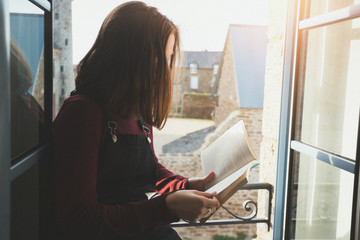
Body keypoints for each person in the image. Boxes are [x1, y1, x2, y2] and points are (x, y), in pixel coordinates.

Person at [52, 2, 220, 239]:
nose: (169, 71)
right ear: (138, 57)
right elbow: (80, 221)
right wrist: (166, 207)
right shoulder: (81, 113)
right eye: (166, 58)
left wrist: (187, 185)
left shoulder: (137, 114)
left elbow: (148, 170)